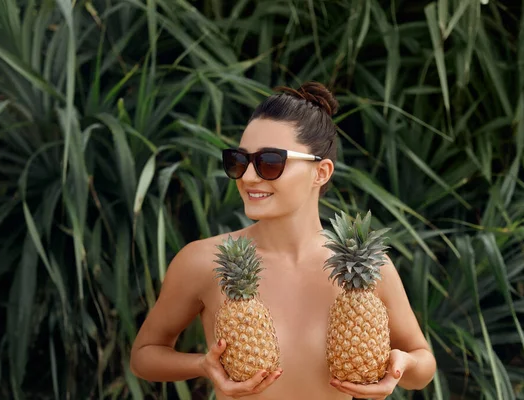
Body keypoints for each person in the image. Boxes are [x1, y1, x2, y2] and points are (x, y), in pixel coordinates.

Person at [130, 81, 437, 399]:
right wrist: (201, 365)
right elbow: (145, 355)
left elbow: (422, 363)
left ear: (321, 172)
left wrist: (402, 365)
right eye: (239, 160)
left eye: (270, 162)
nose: (249, 177)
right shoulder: (203, 261)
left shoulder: (366, 266)